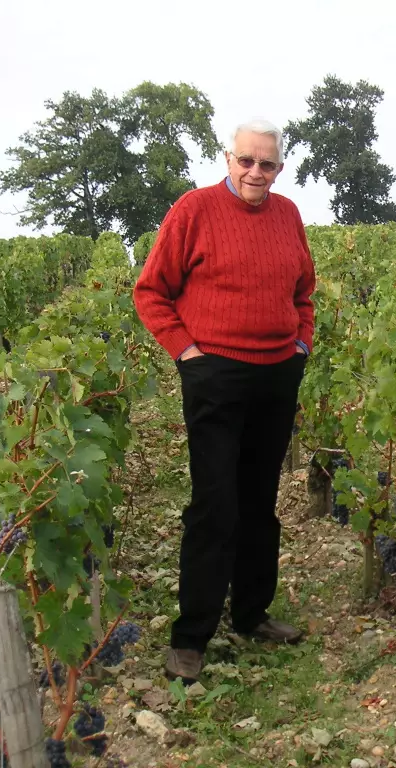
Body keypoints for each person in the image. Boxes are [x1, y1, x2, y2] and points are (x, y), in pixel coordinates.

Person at [132, 118, 316, 684]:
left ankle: (251, 614)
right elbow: (151, 291)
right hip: (215, 376)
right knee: (216, 503)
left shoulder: (287, 215)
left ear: (280, 169)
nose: (256, 172)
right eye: (246, 161)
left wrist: (301, 344)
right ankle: (191, 637)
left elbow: (304, 292)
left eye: (268, 164)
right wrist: (188, 354)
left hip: (276, 375)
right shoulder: (193, 210)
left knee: (260, 500)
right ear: (228, 159)